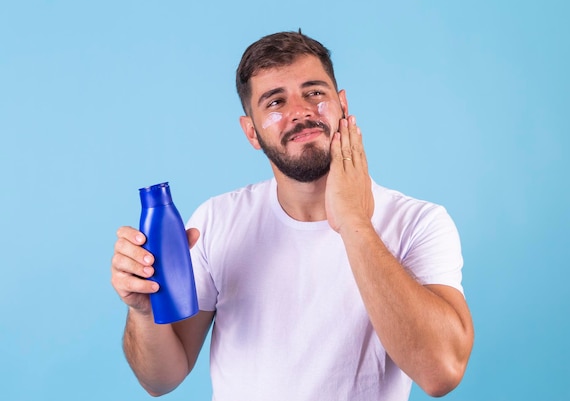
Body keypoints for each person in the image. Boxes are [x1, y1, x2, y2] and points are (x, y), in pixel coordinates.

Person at [111, 30, 474, 400]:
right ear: (251, 132)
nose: (300, 111)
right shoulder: (216, 221)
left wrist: (354, 223)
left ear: (343, 105)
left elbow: (441, 371)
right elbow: (160, 380)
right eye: (275, 102)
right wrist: (143, 312)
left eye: (315, 92)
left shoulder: (418, 223)